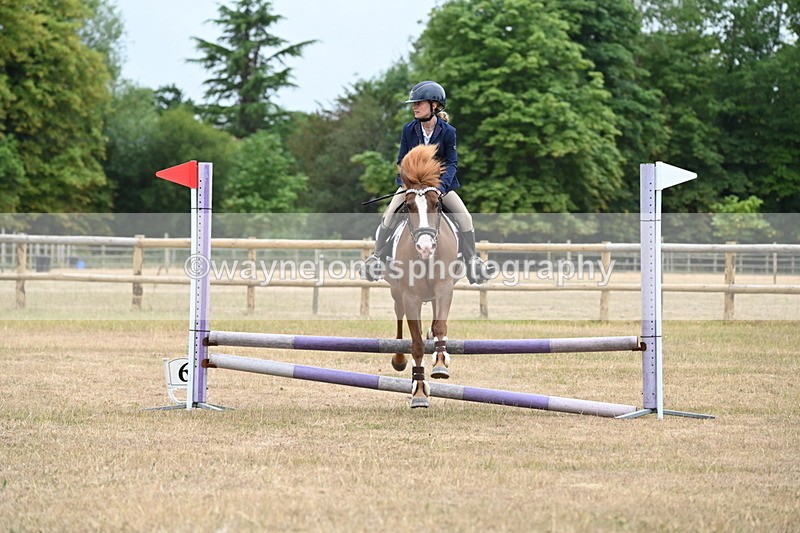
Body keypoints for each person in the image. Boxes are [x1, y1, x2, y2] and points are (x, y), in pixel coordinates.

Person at [361, 80, 495, 285]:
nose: (414, 106)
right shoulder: (408, 129)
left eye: (419, 103)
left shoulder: (448, 132)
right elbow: (401, 160)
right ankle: (377, 258)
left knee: (465, 218)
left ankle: (473, 263)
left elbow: (451, 164)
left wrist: (440, 188)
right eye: (414, 103)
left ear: (435, 105)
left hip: (439, 187)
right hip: (411, 186)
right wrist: (410, 183)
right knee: (389, 214)